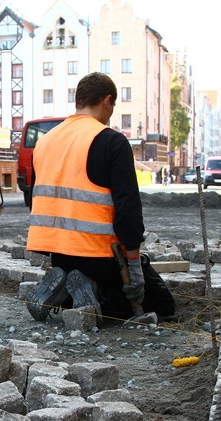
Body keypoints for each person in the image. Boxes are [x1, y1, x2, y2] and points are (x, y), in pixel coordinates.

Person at [25, 72, 175, 325]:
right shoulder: (111, 140)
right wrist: (135, 266)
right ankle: (96, 294)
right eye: (113, 106)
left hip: (58, 254)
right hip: (99, 254)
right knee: (162, 304)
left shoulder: (45, 141)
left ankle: (63, 295)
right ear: (107, 100)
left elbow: (36, 198)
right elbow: (128, 208)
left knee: (76, 280)